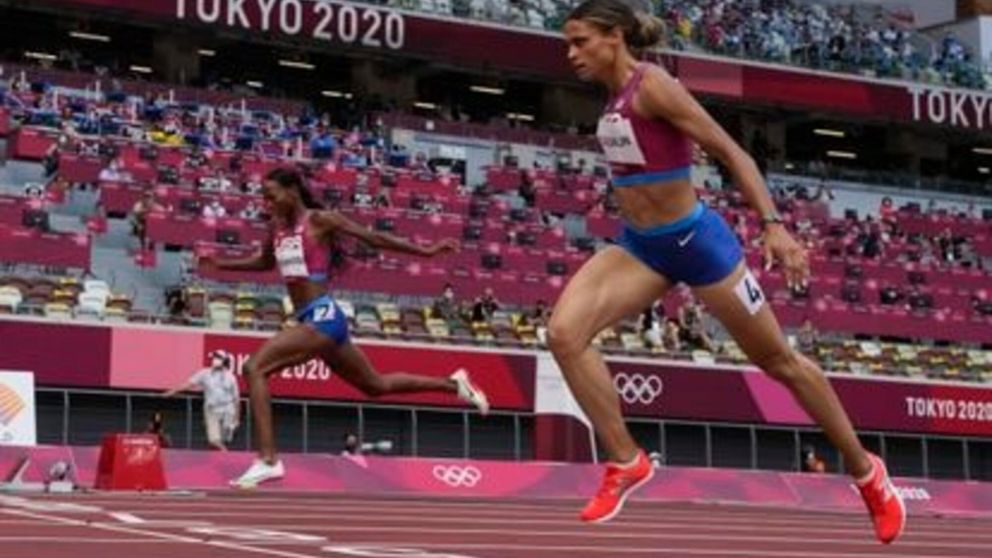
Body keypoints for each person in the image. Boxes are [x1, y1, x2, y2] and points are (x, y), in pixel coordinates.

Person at [556, 0, 904, 543]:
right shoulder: (613, 96)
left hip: (697, 244)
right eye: (568, 43)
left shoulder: (654, 86)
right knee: (564, 334)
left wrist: (772, 224)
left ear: (615, 36)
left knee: (780, 362)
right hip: (641, 249)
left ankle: (867, 472)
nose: (570, 53)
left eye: (580, 41)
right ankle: (626, 460)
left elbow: (730, 151)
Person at [201, 168, 489, 487]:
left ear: (293, 190)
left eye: (271, 195)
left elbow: (374, 238)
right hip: (313, 321)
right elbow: (264, 263)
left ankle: (268, 460)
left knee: (255, 368)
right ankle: (453, 384)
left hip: (323, 316)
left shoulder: (321, 220)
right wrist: (221, 265)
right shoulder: (277, 229)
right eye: (263, 197)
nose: (266, 202)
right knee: (375, 386)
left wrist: (426, 251)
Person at [162, 350, 241, 451]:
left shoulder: (230, 377)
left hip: (228, 410)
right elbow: (188, 384)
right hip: (211, 409)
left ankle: (222, 451)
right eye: (214, 357)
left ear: (224, 361)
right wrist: (171, 392)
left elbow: (236, 399)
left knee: (225, 437)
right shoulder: (205, 373)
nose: (215, 360)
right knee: (213, 439)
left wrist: (237, 418)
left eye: (218, 358)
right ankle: (225, 453)